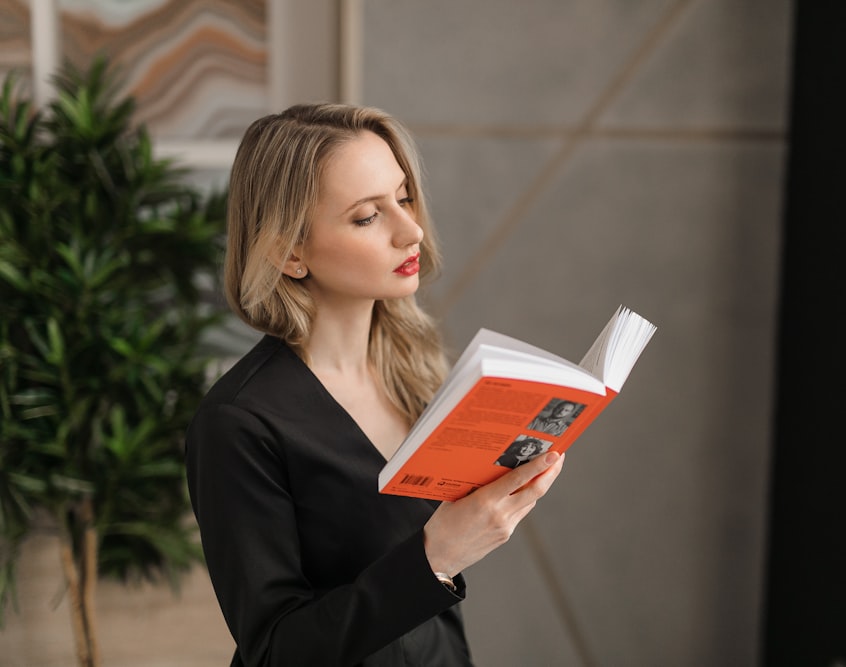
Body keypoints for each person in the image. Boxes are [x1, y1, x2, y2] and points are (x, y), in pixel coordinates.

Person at [185, 103, 565, 666]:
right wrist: (435, 557)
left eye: (404, 198)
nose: (410, 230)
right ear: (288, 252)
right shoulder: (240, 423)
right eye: (367, 216)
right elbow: (272, 651)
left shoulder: (417, 373)